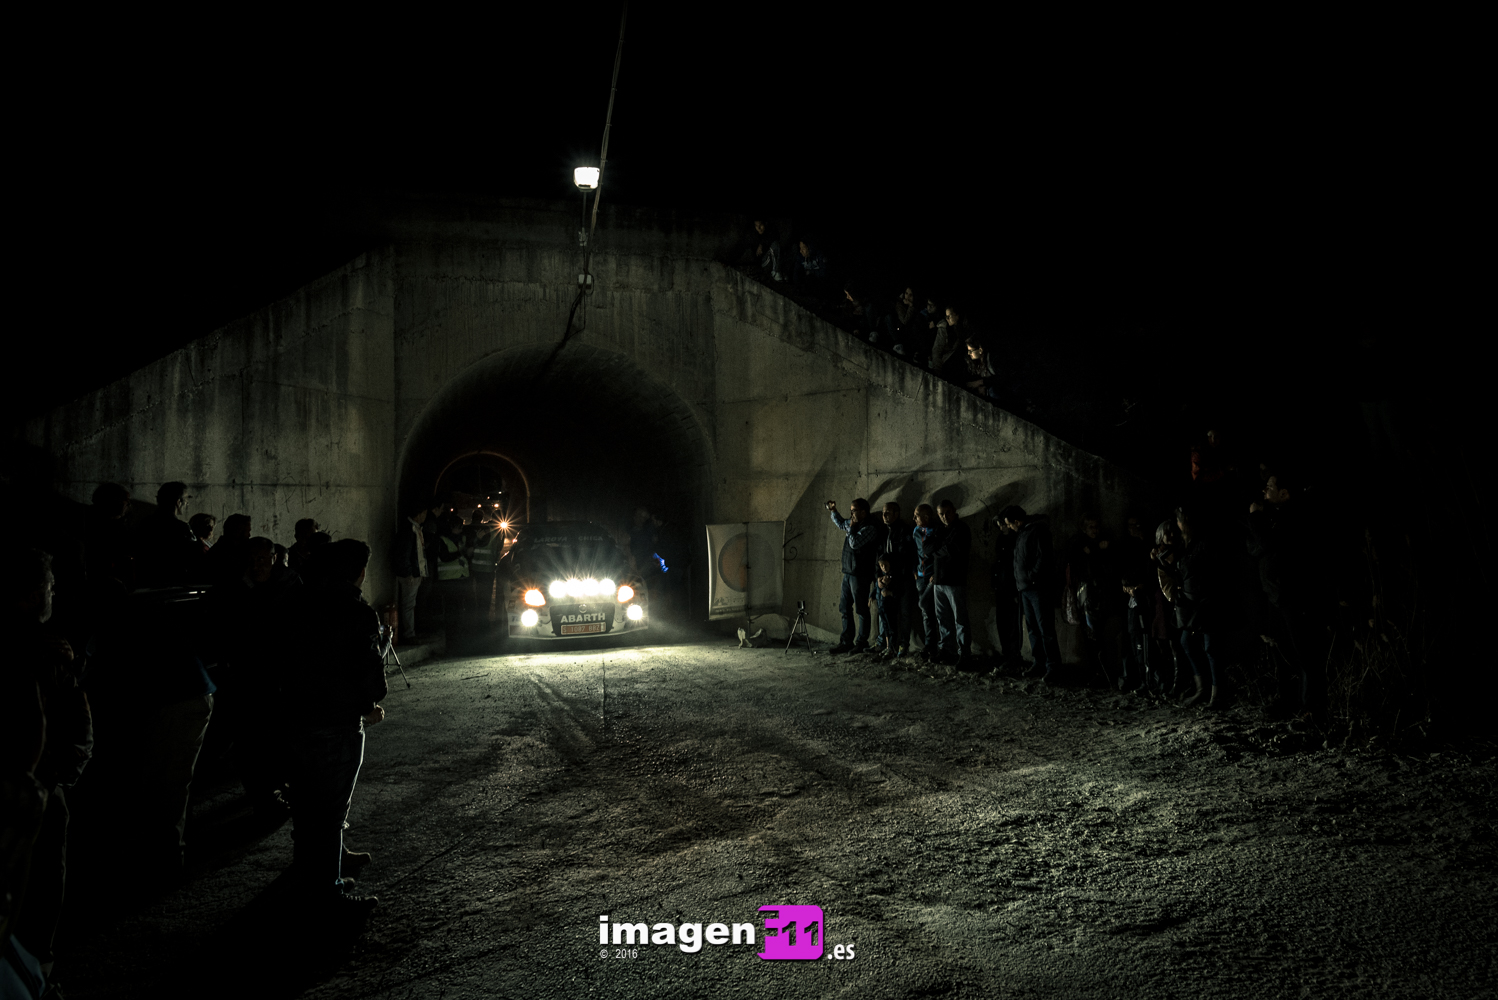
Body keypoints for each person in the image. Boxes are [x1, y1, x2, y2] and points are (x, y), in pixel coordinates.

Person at [3, 550, 92, 987]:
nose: (55, 595)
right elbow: (68, 718)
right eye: (52, 588)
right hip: (36, 780)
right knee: (38, 882)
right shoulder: (42, 649)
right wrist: (62, 768)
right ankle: (35, 968)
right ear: (36, 594)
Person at [285, 538, 386, 914]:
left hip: (295, 719)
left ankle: (307, 875)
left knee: (307, 806)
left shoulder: (296, 602)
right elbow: (368, 679)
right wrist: (368, 703)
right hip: (336, 723)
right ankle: (329, 897)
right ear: (359, 572)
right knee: (330, 811)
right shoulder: (355, 612)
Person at [1246, 471, 1326, 721]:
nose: (1264, 491)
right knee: (1282, 652)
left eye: (1269, 487)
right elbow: (1255, 547)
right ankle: (1287, 702)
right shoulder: (1274, 517)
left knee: (1303, 652)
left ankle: (1311, 707)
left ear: (1284, 493)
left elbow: (1268, 544)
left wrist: (1257, 519)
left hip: (1293, 595)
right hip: (1276, 595)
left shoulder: (1295, 517)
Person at [1158, 506, 1228, 709]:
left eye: (1179, 522)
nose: (1176, 526)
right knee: (1186, 642)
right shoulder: (1186, 544)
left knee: (1212, 648)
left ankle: (1217, 695)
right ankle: (1202, 689)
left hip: (1208, 603)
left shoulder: (1203, 543)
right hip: (1193, 605)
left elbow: (1209, 572)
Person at [1002, 505, 1063, 684]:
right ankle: (1040, 663)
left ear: (1018, 521)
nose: (1010, 528)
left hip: (1037, 589)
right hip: (1026, 589)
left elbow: (1043, 558)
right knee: (1033, 629)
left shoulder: (1037, 532)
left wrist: (1031, 578)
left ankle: (1053, 667)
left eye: (1010, 524)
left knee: (1045, 629)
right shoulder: (1023, 533)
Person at [826, 498, 883, 655]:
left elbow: (855, 543)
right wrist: (833, 511)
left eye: (854, 511)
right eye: (851, 511)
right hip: (848, 572)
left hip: (860, 575)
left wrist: (851, 529)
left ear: (863, 512)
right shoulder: (853, 524)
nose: (851, 514)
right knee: (844, 608)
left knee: (861, 610)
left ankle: (861, 643)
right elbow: (840, 523)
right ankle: (846, 642)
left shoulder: (869, 528)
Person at [930, 500, 973, 666]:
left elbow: (953, 550)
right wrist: (940, 549)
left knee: (960, 620)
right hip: (939, 581)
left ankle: (965, 655)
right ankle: (947, 650)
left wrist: (937, 549)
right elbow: (927, 548)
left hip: (955, 581)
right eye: (941, 514)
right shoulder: (939, 529)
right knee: (943, 619)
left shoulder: (962, 529)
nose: (944, 517)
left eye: (947, 512)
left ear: (954, 511)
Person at [134, 482, 198, 588]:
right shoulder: (180, 527)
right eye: (186, 499)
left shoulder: (145, 523)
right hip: (174, 584)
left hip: (148, 582)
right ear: (178, 502)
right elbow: (193, 557)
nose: (187, 503)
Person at [876, 502, 916, 659]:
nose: (884, 516)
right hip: (886, 580)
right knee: (886, 613)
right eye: (883, 513)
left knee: (905, 612)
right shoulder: (882, 532)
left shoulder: (905, 531)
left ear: (897, 514)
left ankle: (903, 645)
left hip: (903, 579)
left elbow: (908, 557)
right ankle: (888, 645)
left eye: (888, 513)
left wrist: (896, 576)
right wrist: (879, 577)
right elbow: (878, 558)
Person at [391, 503, 430, 644]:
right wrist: (409, 574)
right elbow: (404, 554)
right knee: (408, 604)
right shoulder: (409, 530)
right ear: (418, 514)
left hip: (415, 572)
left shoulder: (414, 529)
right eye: (424, 513)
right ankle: (409, 635)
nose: (425, 516)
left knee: (410, 604)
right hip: (410, 574)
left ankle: (411, 632)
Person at [990, 514, 1023, 671]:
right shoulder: (1000, 539)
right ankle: (1007, 654)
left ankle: (1014, 655)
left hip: (1011, 587)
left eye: (1002, 524)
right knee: (1002, 622)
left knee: (1012, 623)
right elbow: (997, 561)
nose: (1001, 527)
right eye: (998, 524)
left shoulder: (1015, 538)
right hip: (1001, 587)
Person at [912, 504, 940, 658]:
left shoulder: (936, 532)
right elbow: (913, 551)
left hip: (933, 577)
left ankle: (939, 646)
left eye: (917, 515)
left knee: (932, 609)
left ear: (927, 517)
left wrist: (936, 573)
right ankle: (930, 646)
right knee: (926, 613)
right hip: (921, 577)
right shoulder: (916, 531)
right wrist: (914, 570)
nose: (914, 519)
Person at [207, 513, 253, 586]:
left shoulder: (220, 548)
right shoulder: (224, 554)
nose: (249, 535)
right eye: (247, 531)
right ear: (238, 532)